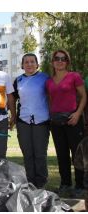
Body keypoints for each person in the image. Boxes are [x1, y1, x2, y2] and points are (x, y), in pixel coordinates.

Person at [46, 49, 86, 197]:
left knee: (77, 154)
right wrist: (51, 117)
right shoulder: (49, 81)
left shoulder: (74, 76)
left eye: (63, 59)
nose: (60, 61)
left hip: (73, 120)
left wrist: (77, 114)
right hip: (56, 122)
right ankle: (65, 185)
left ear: (67, 62)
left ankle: (80, 186)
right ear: (53, 62)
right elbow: (51, 100)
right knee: (62, 154)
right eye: (57, 58)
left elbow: (83, 97)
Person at [13, 53, 50, 188]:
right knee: (27, 154)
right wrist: (12, 115)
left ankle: (41, 183)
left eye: (32, 61)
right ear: (22, 65)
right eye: (26, 62)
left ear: (37, 64)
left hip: (41, 121)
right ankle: (30, 182)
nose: (29, 64)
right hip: (23, 121)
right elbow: (12, 99)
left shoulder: (45, 78)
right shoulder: (18, 80)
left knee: (40, 154)